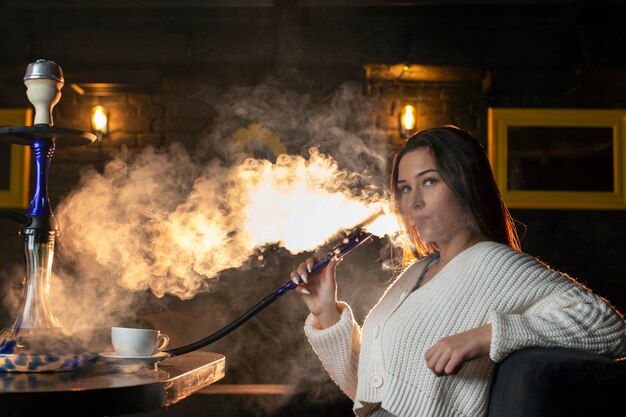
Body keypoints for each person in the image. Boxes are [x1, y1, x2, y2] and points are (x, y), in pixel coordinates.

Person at [289, 126, 626, 417]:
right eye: (405, 188)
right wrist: (325, 311)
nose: (413, 202)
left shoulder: (498, 264)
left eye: (429, 182)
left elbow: (610, 328)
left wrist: (487, 336)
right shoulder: (416, 272)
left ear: (467, 186)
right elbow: (366, 389)